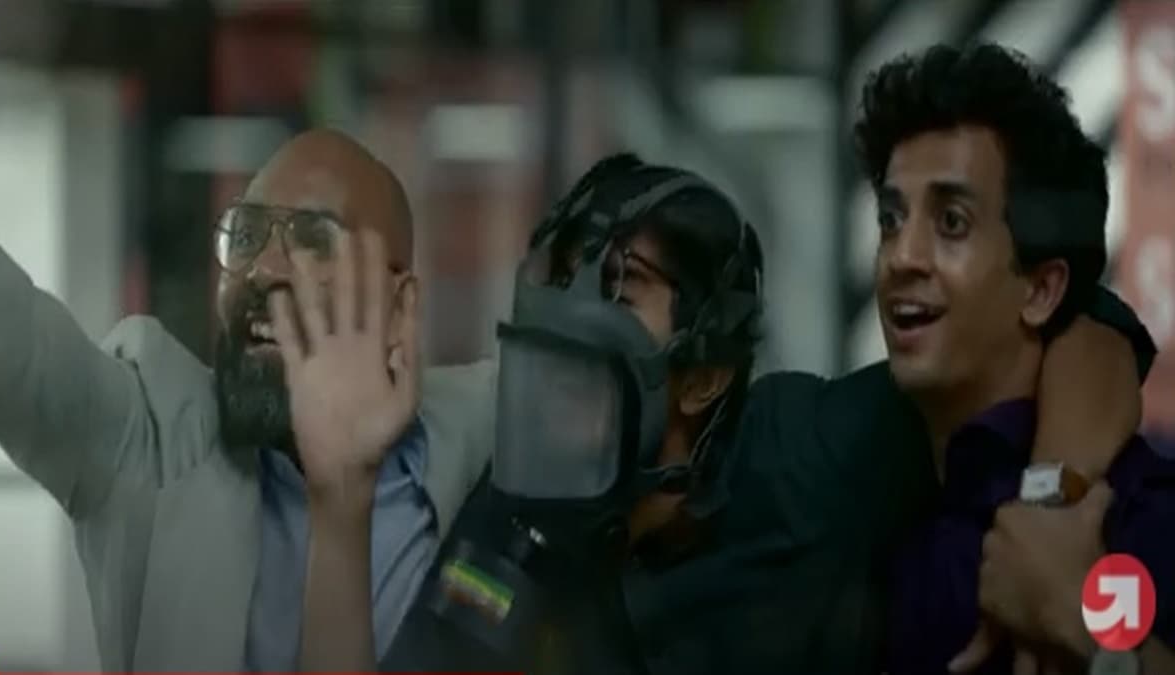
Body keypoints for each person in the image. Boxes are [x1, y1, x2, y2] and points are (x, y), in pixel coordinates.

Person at [304, 152, 1155, 674]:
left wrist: (1052, 501)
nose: (569, 318)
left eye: (620, 290)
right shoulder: (511, 518)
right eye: (560, 279)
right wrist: (339, 500)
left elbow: (1080, 325)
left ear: (704, 375)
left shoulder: (810, 450)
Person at [0, 129, 495, 670]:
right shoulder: (150, 437)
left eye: (316, 240)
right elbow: (9, 339)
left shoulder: (494, 442)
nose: (262, 269)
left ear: (398, 306)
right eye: (246, 235)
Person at [845, 43, 1175, 674]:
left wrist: (1089, 632)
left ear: (1042, 290)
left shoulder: (1132, 522)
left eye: (951, 222)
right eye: (890, 218)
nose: (901, 256)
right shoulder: (857, 491)